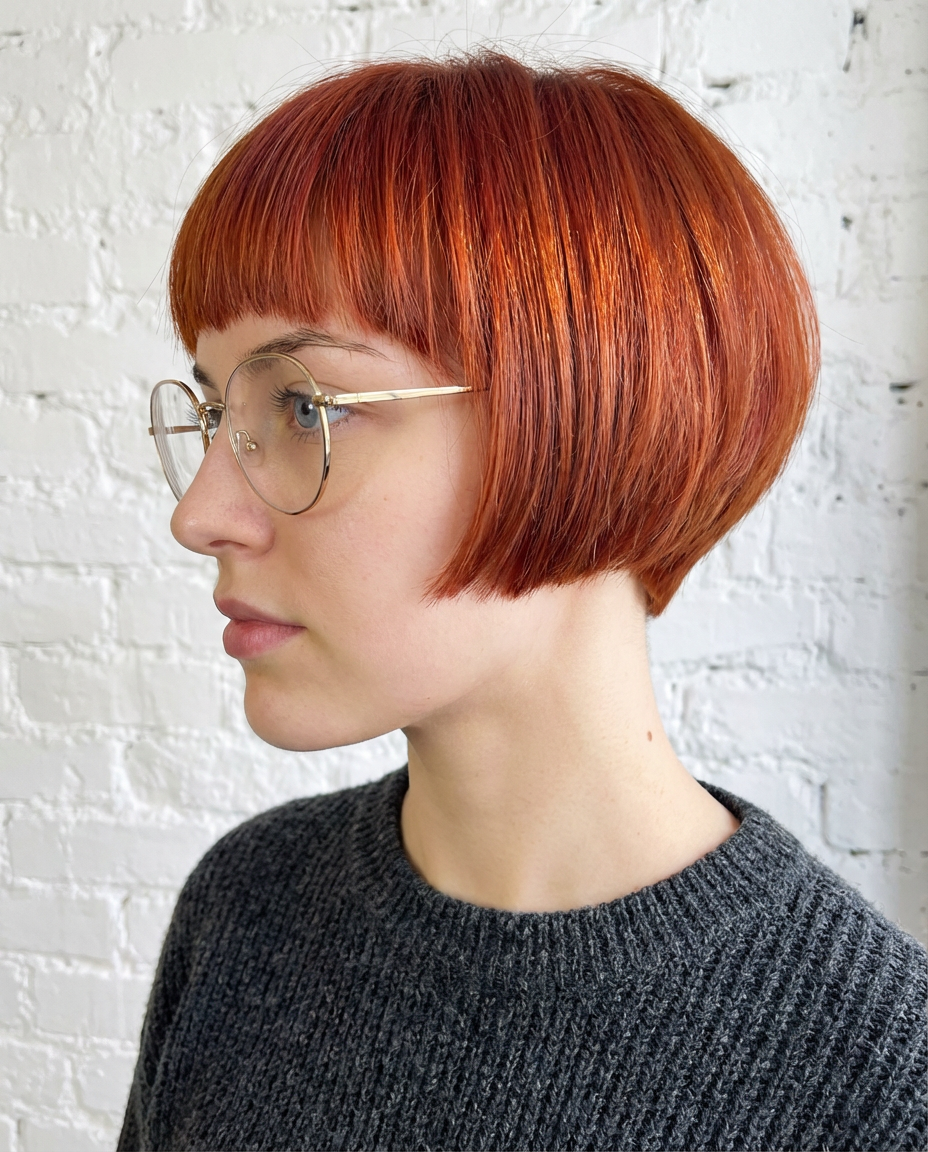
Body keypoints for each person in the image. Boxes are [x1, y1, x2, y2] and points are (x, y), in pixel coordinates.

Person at [118, 51, 927, 1152]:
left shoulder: (876, 1074)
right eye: (217, 413)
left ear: (590, 414)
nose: (202, 511)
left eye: (304, 407)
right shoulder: (247, 912)